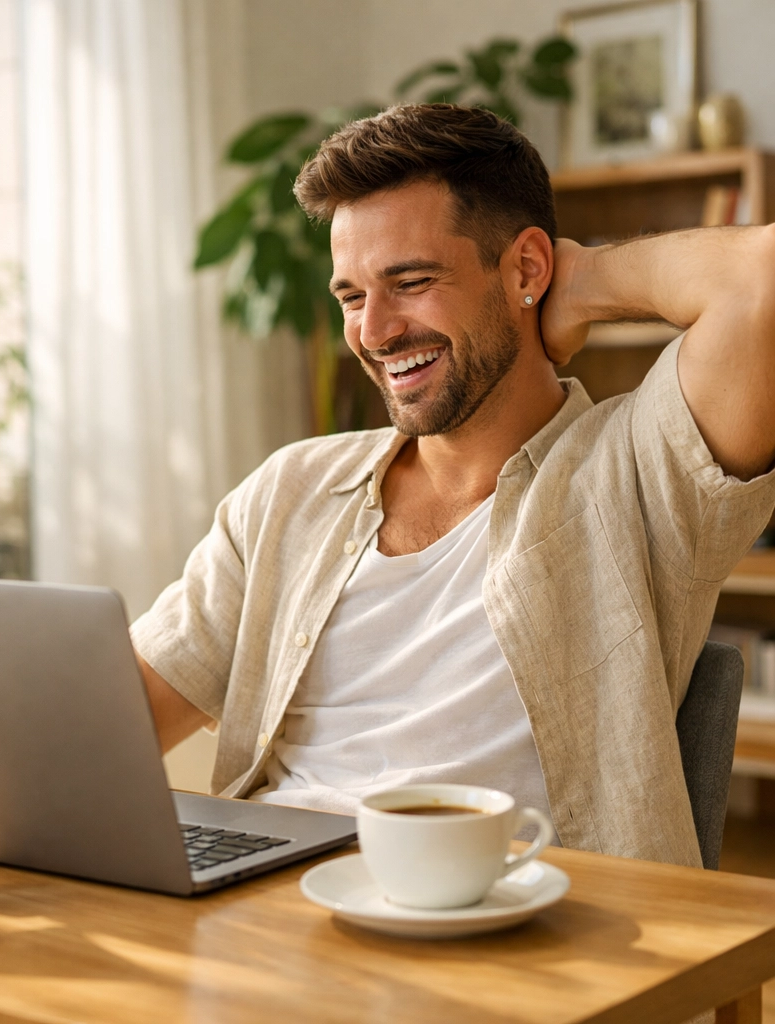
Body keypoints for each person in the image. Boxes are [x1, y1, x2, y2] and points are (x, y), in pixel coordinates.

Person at [130, 103, 775, 867]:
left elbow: (760, 281)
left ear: (527, 269)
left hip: (511, 937)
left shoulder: (635, 472)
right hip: (268, 920)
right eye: (351, 296)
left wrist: (588, 281)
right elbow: (110, 715)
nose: (373, 332)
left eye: (410, 281)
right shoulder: (290, 492)